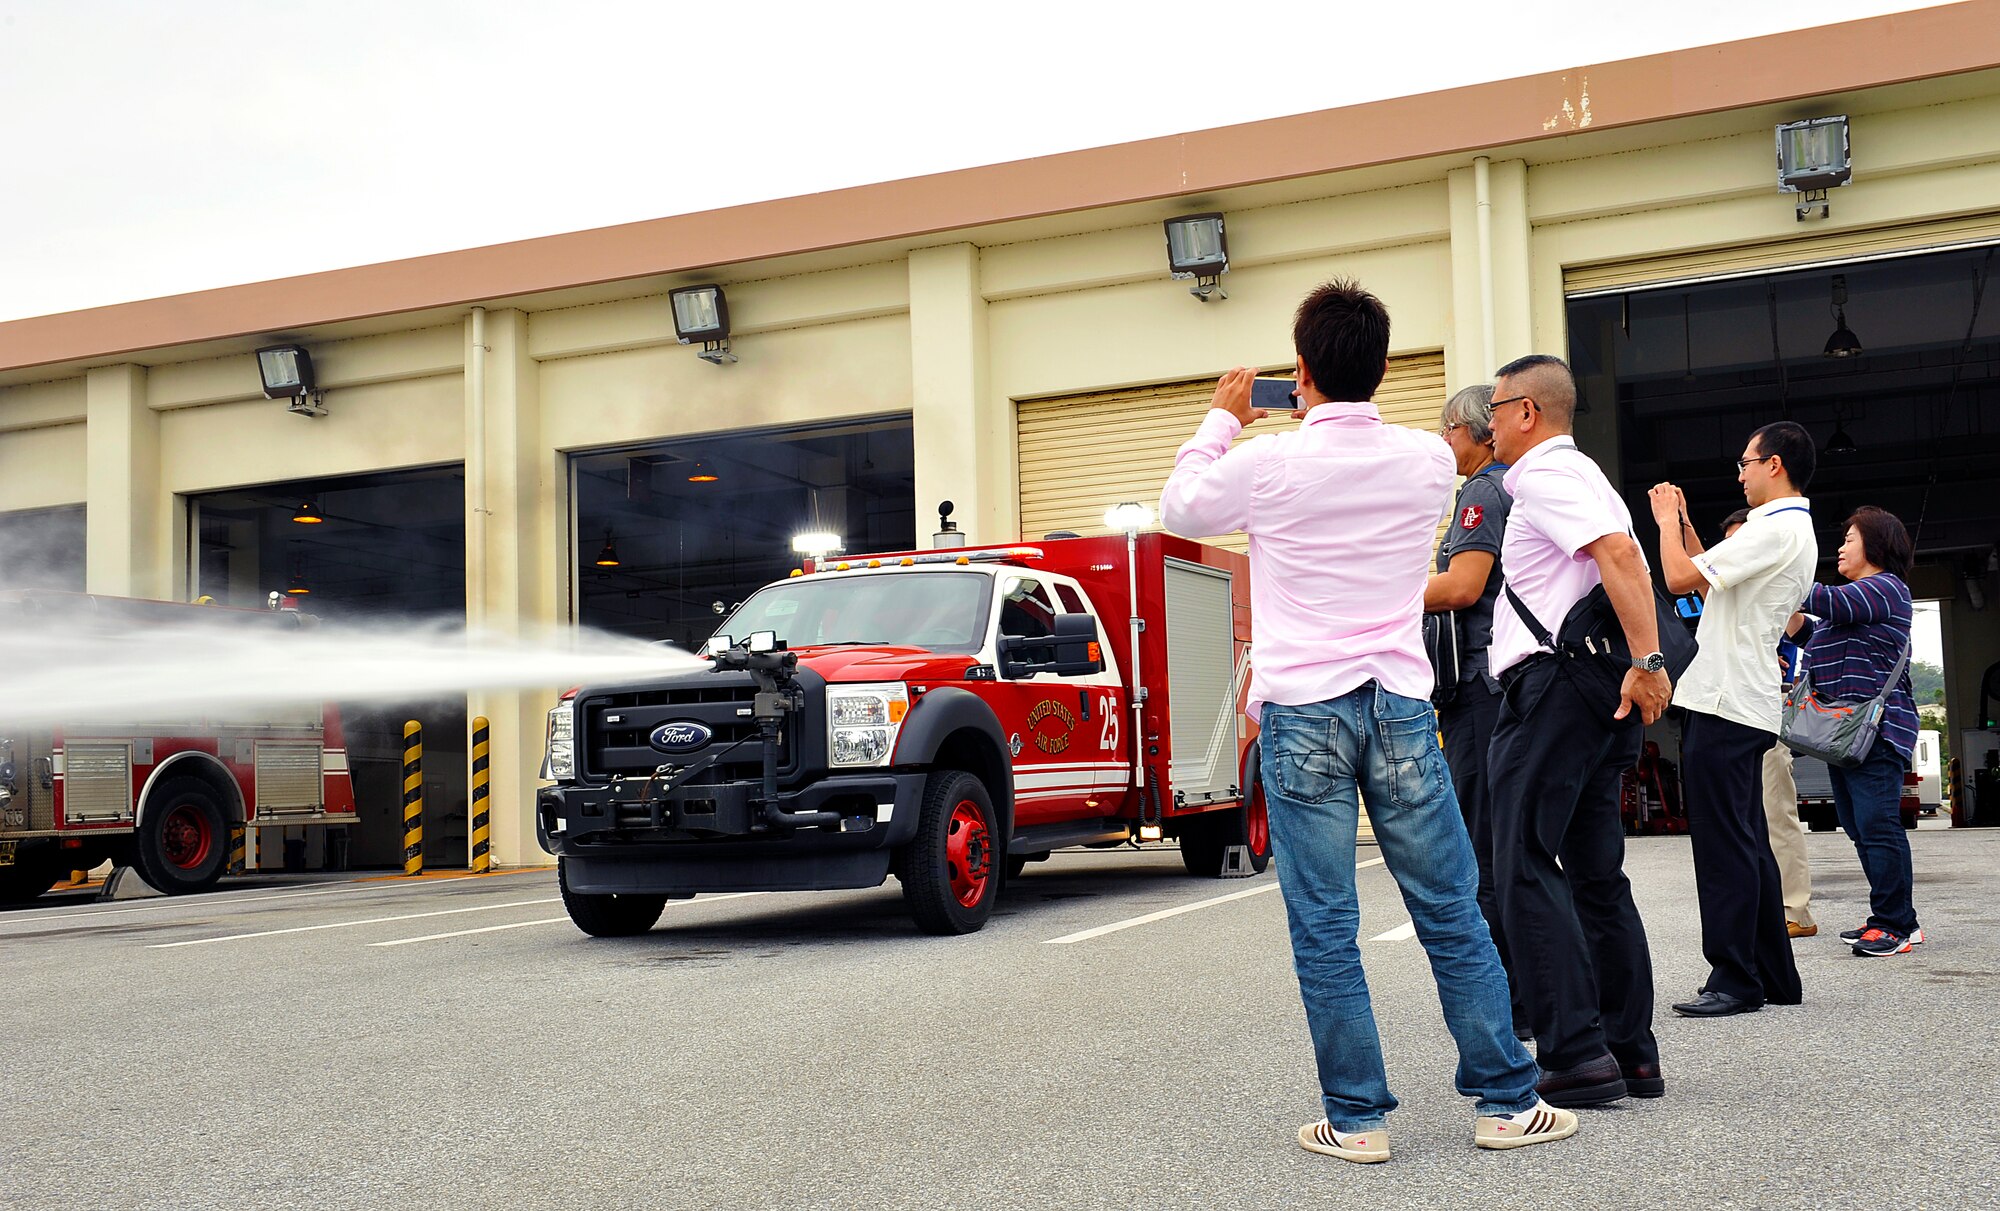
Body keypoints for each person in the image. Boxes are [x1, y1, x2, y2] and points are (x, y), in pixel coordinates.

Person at [1161, 280, 1574, 1164]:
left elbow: (1181, 508)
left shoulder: (1266, 462)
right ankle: (1505, 1098)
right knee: (1451, 909)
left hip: (1303, 708)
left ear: (1300, 371)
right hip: (1397, 702)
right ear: (1383, 368)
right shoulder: (1428, 460)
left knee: (1324, 922)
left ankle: (1357, 1118)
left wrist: (1223, 418)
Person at [1484, 353, 1668, 1108]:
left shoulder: (1548, 475)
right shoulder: (1589, 478)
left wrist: (1650, 659)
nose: (1487, 424)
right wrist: (1636, 662)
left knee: (1522, 859)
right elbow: (1622, 558)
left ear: (1528, 411)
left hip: (1555, 690)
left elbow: (1621, 555)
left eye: (1495, 409)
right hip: (1594, 693)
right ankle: (1630, 1054)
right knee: (1596, 874)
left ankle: (1575, 1052)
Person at [1650, 424, 1817, 1017]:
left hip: (1724, 699)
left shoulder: (1774, 528)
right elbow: (1706, 570)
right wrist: (1690, 529)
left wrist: (1667, 520)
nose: (1740, 474)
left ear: (1774, 464)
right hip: (1741, 699)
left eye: (1745, 463)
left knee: (1725, 847)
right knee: (1747, 842)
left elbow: (1677, 579)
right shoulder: (1788, 529)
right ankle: (1773, 974)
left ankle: (1734, 977)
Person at [1422, 383, 1526, 1036]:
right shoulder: (1498, 487)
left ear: (1477, 430)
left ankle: (1508, 1005)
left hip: (1481, 694)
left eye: (1448, 431)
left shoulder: (1485, 491)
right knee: (1497, 839)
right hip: (1488, 690)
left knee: (1483, 847)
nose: (1443, 443)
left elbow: (1463, 587)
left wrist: (1382, 587)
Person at [1793, 506, 1926, 956]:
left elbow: (1826, 601)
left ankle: (1896, 925)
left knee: (1877, 825)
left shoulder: (1886, 589)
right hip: (1846, 733)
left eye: (1849, 538)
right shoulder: (1857, 602)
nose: (1841, 547)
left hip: (1877, 732)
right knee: (1858, 825)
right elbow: (1812, 633)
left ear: (1876, 543)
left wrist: (1779, 568)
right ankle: (1891, 918)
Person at [1719, 506, 1819, 939]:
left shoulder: (1774, 585)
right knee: (1743, 815)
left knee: (1775, 807)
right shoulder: (1726, 591)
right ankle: (1761, 905)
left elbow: (1802, 630)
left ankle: (1796, 908)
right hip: (1727, 707)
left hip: (1766, 704)